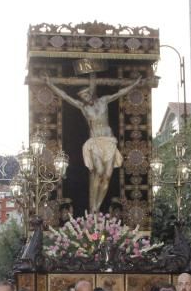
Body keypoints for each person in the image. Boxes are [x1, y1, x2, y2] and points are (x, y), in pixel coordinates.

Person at [42, 73, 143, 212]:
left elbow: (120, 93)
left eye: (87, 95)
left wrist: (135, 84)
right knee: (99, 171)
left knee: (107, 177)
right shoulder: (83, 108)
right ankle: (93, 206)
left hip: (109, 142)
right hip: (95, 142)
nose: (85, 98)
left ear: (91, 94)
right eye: (83, 97)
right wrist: (50, 83)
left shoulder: (104, 101)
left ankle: (96, 207)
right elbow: (65, 96)